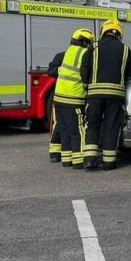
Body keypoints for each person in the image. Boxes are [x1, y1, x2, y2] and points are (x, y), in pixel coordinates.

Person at [81, 19, 131, 171]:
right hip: (116, 96)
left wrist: (86, 87)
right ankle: (109, 162)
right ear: (119, 33)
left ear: (103, 31)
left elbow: (84, 69)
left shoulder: (93, 47)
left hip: (95, 95)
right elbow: (130, 73)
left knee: (92, 125)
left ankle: (90, 160)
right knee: (111, 127)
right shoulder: (125, 49)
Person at [53, 29, 94, 169]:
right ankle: (78, 162)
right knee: (77, 131)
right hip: (73, 98)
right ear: (85, 41)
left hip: (59, 97)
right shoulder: (85, 53)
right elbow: (85, 73)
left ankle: (66, 160)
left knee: (64, 130)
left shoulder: (68, 51)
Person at [47, 48, 65, 164]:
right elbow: (51, 71)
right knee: (59, 124)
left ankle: (62, 151)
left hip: (69, 95)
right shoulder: (62, 56)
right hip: (62, 96)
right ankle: (55, 152)